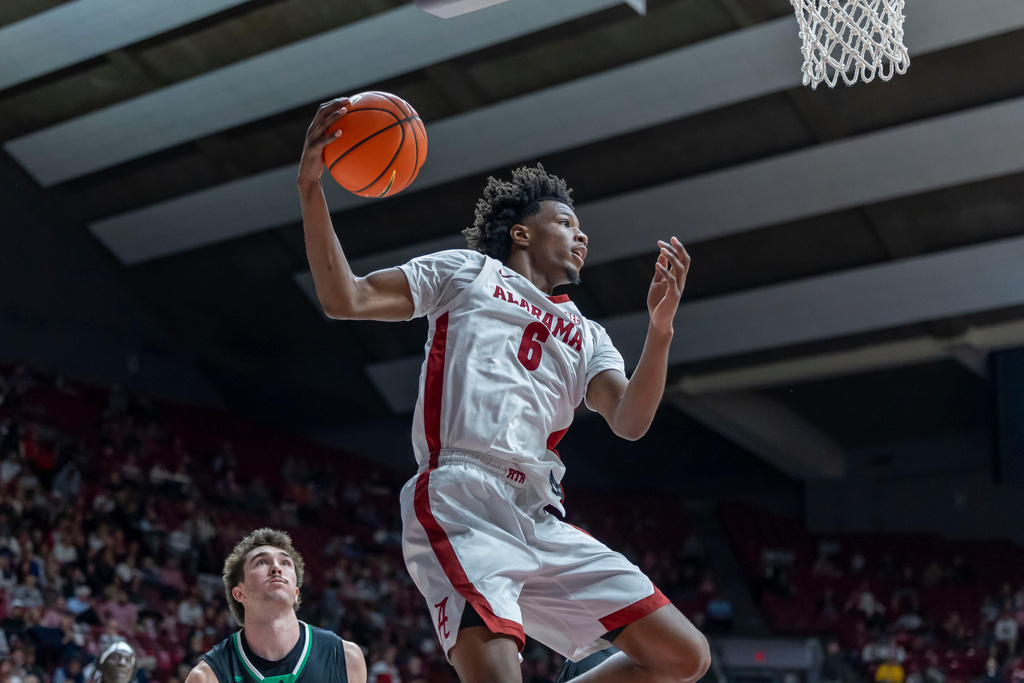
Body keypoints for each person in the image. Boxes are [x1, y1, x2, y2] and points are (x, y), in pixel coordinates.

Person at [299, 99, 710, 683]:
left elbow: (630, 421)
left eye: (580, 226)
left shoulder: (590, 337)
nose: (581, 234)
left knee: (683, 656)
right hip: (461, 497)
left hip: (540, 514)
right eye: (566, 222)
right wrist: (312, 189)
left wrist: (661, 330)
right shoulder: (468, 272)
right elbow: (348, 298)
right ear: (522, 232)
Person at [184, 528, 366, 683]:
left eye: (285, 562)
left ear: (296, 593)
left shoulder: (345, 659)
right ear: (240, 593)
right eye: (261, 562)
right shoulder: (208, 677)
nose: (276, 568)